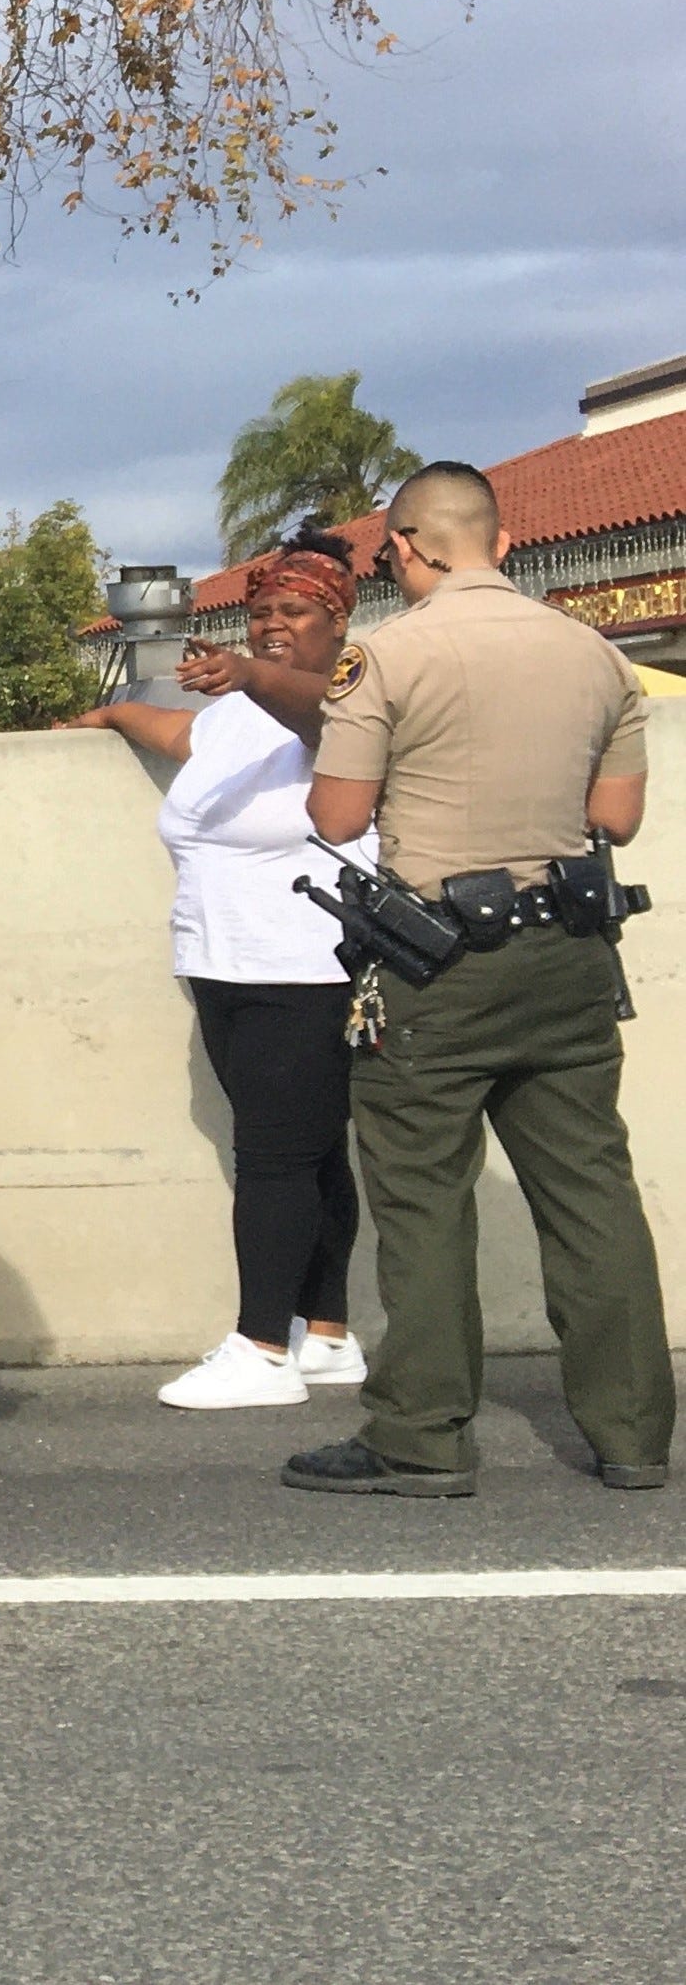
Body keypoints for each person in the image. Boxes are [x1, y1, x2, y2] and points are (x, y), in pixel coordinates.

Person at [283, 462, 669, 1496]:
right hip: (569, 954)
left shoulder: (384, 655)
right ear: (497, 544)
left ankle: (420, 1435)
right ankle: (632, 1432)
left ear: (407, 546)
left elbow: (334, 818)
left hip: (436, 961)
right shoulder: (594, 654)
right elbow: (618, 818)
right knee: (590, 1190)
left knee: (420, 1196)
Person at [70, 523, 374, 1407]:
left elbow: (316, 716)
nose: (273, 624)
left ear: (336, 622)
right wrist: (105, 715)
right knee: (308, 1154)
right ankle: (324, 1335)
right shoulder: (238, 713)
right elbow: (175, 733)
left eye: (295, 611)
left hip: (304, 965)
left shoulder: (350, 697)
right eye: (262, 611)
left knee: (274, 1159)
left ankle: (258, 1351)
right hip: (224, 959)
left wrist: (250, 672)